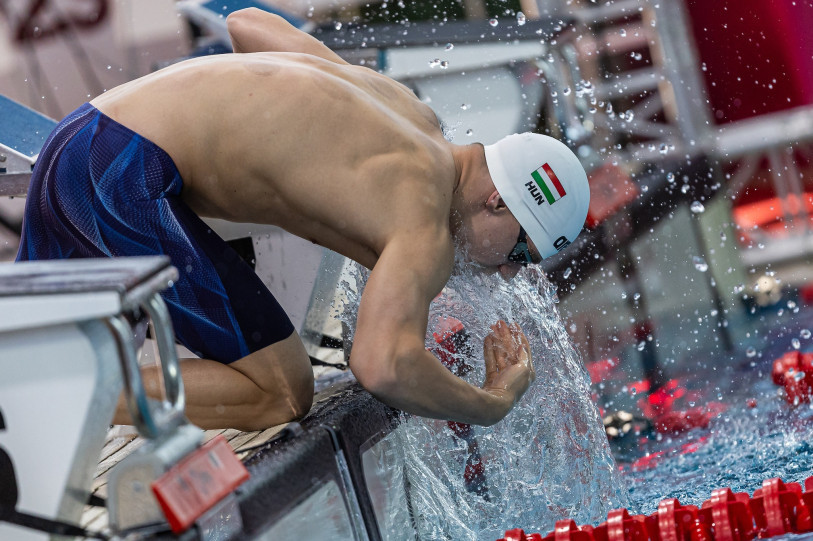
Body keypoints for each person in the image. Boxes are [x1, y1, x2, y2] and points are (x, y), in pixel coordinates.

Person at [16, 8, 590, 431]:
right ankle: (61, 399)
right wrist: (489, 402)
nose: (511, 274)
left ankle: (41, 392)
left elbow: (246, 25)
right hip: (117, 178)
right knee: (282, 393)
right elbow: (383, 364)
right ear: (497, 201)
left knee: (27, 345)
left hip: (81, 140)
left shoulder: (404, 109)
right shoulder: (425, 226)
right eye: (521, 253)